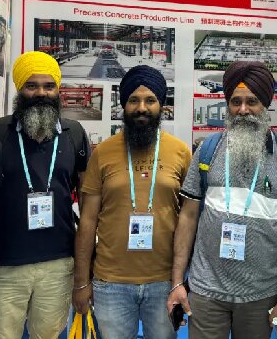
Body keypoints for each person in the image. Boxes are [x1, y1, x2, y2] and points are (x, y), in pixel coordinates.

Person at [167, 61, 277, 339]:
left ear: (266, 104)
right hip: (206, 291)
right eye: (235, 102)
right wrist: (176, 282)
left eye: (252, 101)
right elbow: (188, 216)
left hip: (261, 293)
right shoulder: (207, 150)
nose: (243, 110)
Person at [72, 65, 191, 339]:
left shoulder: (181, 152)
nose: (142, 108)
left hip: (164, 282)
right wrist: (81, 282)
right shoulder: (103, 152)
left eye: (150, 100)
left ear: (161, 105)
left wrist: (182, 280)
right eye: (134, 100)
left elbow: (190, 218)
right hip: (111, 283)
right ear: (123, 105)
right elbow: (87, 220)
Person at [0, 51, 90, 339]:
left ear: (58, 89)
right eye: (32, 86)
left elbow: (87, 198)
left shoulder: (74, 133)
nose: (41, 93)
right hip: (4, 264)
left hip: (58, 264)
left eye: (48, 86)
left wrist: (84, 267)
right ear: (20, 89)